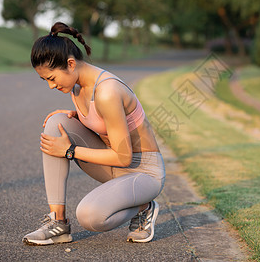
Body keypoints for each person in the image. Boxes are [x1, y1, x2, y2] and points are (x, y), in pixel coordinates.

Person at [22, 22, 165, 245]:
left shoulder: (107, 91)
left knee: (90, 217)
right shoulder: (77, 86)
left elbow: (123, 157)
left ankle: (144, 206)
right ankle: (58, 223)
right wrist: (77, 118)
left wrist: (69, 151)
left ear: (70, 64)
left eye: (51, 78)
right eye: (46, 80)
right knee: (56, 123)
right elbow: (104, 125)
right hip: (115, 168)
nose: (51, 86)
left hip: (144, 172)